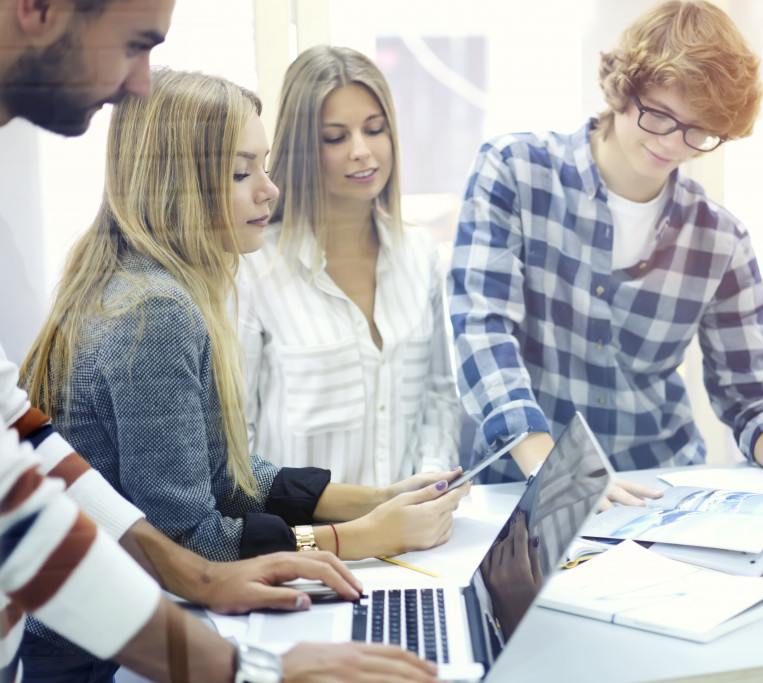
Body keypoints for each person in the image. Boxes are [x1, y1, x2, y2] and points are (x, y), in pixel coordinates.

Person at [0, 0, 438, 681]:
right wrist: (353, 540)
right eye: (241, 173)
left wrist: (373, 499)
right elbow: (188, 536)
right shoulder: (152, 312)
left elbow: (221, 473)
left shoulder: (157, 288)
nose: (269, 190)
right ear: (177, 184)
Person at [448, 0, 763, 512]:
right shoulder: (515, 172)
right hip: (521, 488)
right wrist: (557, 469)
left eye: (698, 131)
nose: (673, 144)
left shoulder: (720, 239)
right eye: (658, 115)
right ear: (621, 89)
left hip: (659, 493)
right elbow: (482, 329)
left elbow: (751, 395)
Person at [237, 45, 461, 486]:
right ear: (303, 148)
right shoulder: (254, 268)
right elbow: (236, 438)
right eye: (336, 137)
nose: (362, 150)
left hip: (414, 539)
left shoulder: (420, 252)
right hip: (311, 543)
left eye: (374, 129)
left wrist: (432, 483)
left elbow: (439, 397)